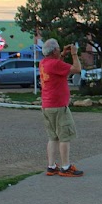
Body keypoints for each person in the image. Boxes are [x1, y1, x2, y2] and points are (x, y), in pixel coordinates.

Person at [39, 38, 83, 177]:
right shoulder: (54, 64)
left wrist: (63, 54)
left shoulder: (44, 63)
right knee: (64, 136)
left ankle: (51, 166)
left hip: (47, 105)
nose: (59, 50)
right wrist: (74, 54)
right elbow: (77, 69)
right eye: (58, 49)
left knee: (53, 137)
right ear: (54, 51)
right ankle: (66, 167)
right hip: (58, 106)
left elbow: (59, 66)